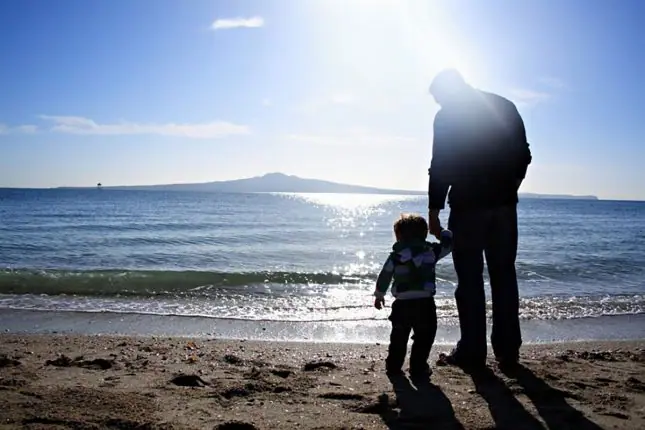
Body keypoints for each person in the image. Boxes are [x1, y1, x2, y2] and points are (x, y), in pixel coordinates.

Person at [427, 69, 532, 370]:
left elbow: (441, 164)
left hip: (468, 205)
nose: (439, 104)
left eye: (439, 98)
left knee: (470, 279)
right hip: (504, 206)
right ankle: (508, 352)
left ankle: (472, 351)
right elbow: (524, 156)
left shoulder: (447, 116)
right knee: (503, 276)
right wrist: (511, 187)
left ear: (446, 91)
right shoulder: (504, 106)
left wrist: (434, 211)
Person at [373, 213, 453, 378]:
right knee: (425, 337)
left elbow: (385, 275)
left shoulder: (396, 256)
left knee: (398, 337)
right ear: (424, 233)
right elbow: (448, 245)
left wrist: (379, 294)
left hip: (402, 303)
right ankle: (418, 367)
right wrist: (443, 232)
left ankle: (393, 366)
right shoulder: (431, 251)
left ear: (399, 235)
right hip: (425, 303)